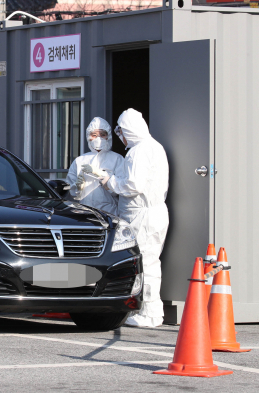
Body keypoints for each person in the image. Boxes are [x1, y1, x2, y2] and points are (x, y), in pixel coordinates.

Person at [98, 108, 169, 328]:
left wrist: (109, 182)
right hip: (154, 212)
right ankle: (150, 311)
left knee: (145, 263)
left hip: (142, 215)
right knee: (151, 262)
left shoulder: (139, 151)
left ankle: (150, 315)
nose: (121, 136)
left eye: (122, 131)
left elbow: (133, 186)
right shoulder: (155, 148)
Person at [65, 117, 124, 215]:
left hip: (109, 213)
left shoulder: (117, 159)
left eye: (102, 135)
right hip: (84, 212)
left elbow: (122, 189)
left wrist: (100, 174)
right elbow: (70, 191)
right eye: (94, 135)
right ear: (88, 136)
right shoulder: (79, 161)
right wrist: (78, 188)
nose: (98, 138)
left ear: (108, 137)